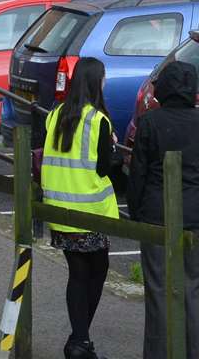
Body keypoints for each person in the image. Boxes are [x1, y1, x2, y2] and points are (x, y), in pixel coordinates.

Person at [128, 60, 199, 359]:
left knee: (158, 291)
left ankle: (159, 353)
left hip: (156, 215)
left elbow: (138, 173)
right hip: (195, 216)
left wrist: (136, 211)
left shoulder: (149, 123)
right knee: (195, 290)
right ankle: (198, 353)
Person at [40, 57, 124, 359]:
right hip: (91, 211)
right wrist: (114, 149)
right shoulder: (98, 121)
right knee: (97, 273)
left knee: (76, 274)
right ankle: (79, 340)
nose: (104, 83)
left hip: (60, 210)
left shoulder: (55, 115)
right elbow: (104, 168)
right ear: (95, 82)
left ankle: (79, 341)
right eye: (103, 79)